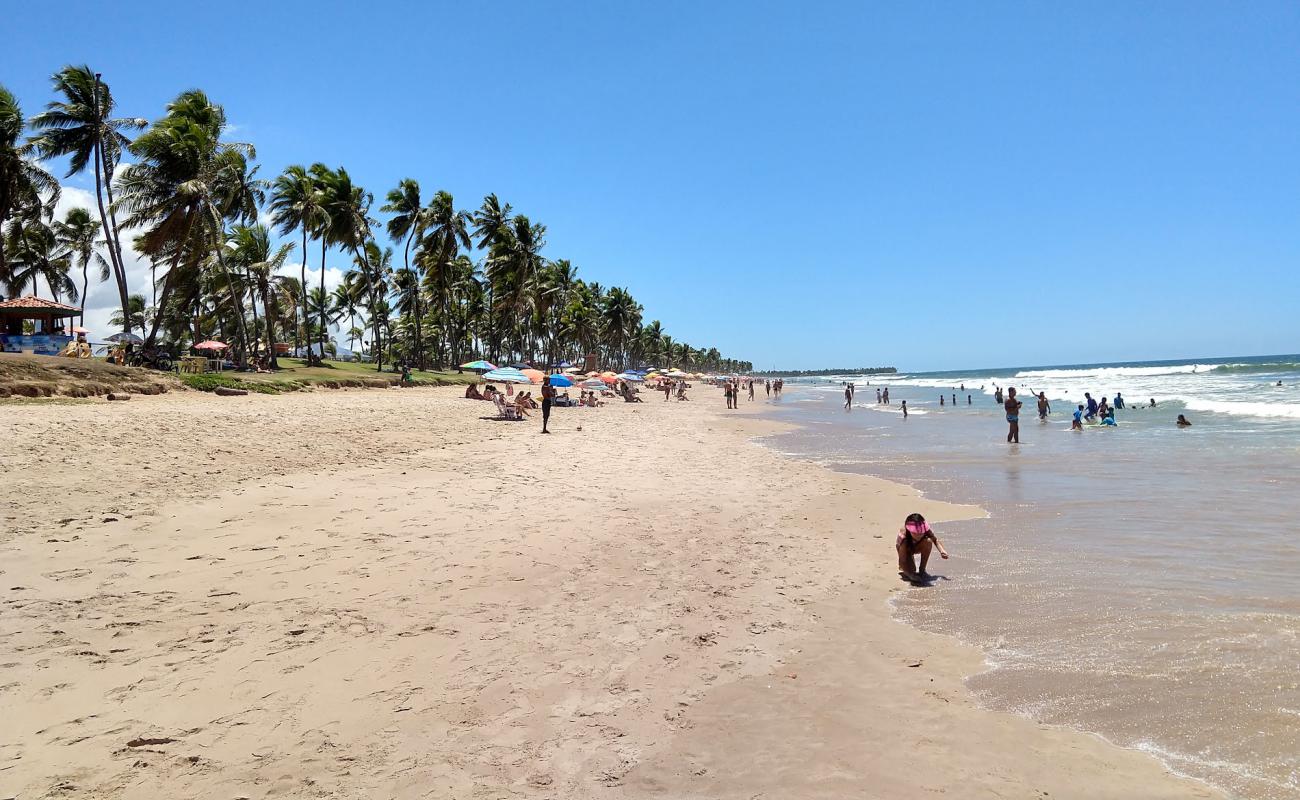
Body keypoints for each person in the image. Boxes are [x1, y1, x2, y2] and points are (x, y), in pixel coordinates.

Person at [896, 513, 949, 582]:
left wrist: (942, 550)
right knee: (910, 570)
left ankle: (922, 569)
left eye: (921, 533)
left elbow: (935, 540)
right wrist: (910, 575)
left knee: (928, 541)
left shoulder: (926, 530)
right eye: (915, 533)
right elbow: (902, 560)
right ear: (909, 530)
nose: (919, 536)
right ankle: (909, 567)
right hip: (906, 549)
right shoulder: (903, 537)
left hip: (918, 546)